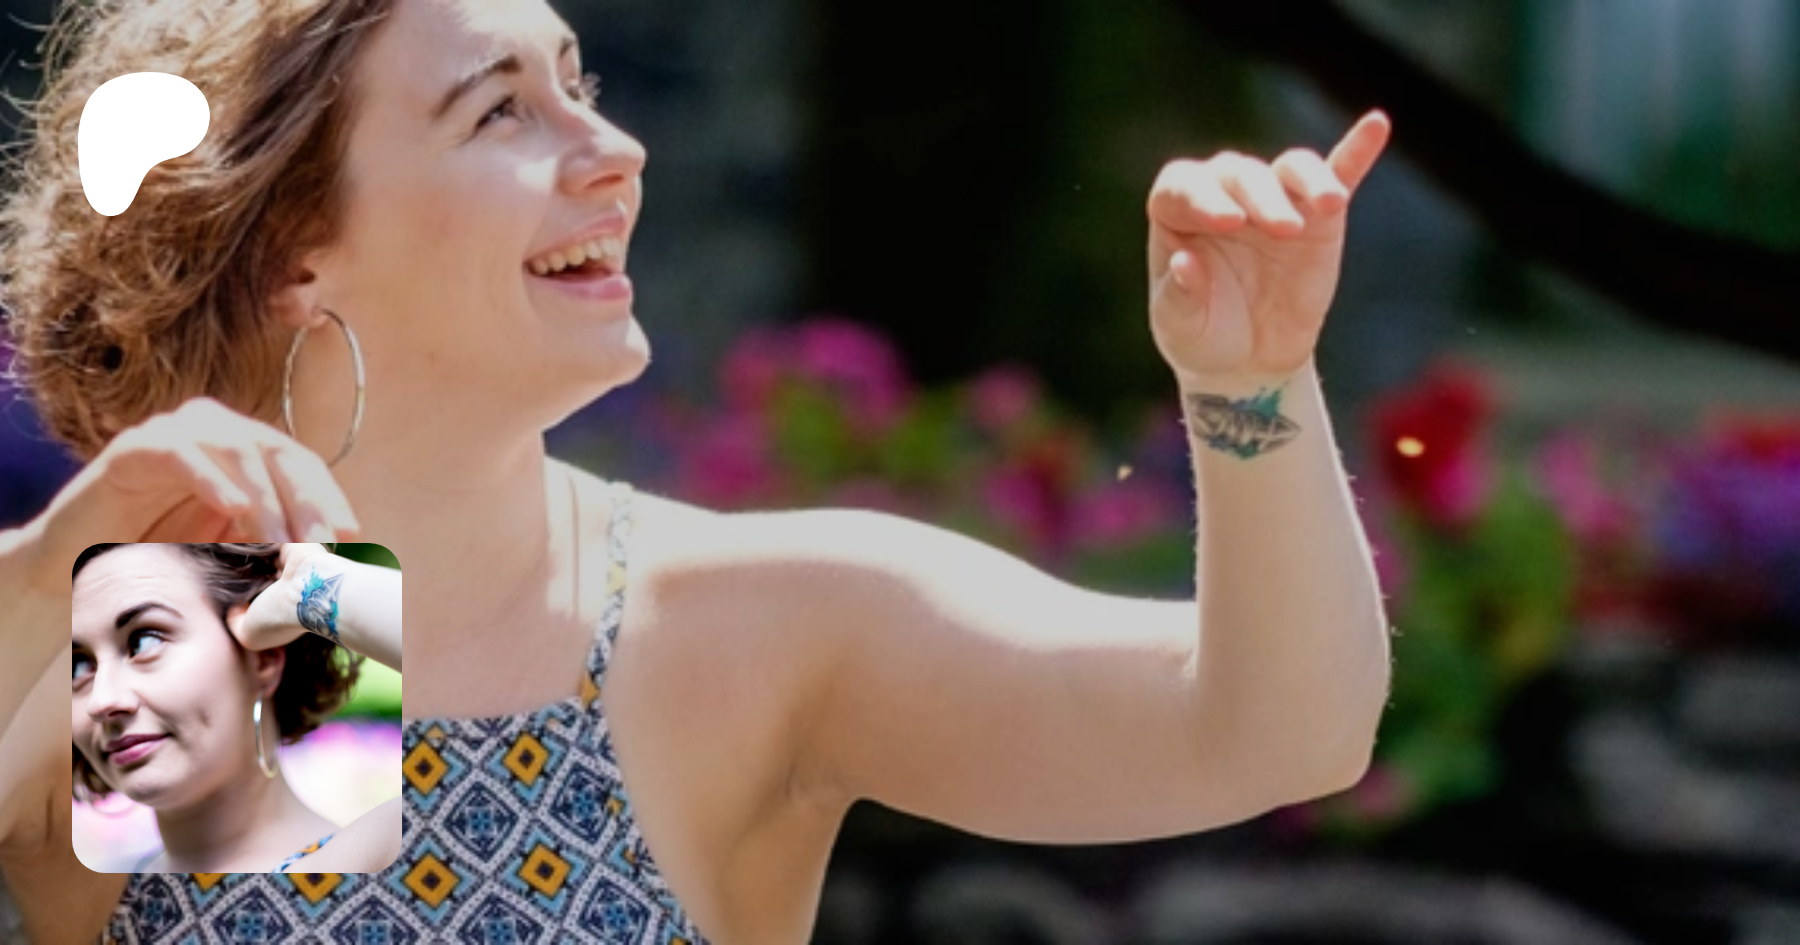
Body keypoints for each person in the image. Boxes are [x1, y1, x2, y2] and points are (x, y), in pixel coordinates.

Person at [0, 0, 1393, 940]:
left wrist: (1250, 385)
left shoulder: (747, 623)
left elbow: (1277, 732)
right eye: (501, 112)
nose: (616, 153)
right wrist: (57, 561)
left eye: (582, 87)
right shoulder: (117, 643)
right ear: (293, 247)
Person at [69, 543, 403, 874]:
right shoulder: (94, 891)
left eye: (145, 641)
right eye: (78, 666)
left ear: (263, 657)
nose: (101, 702)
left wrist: (308, 587)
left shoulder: (380, 864)